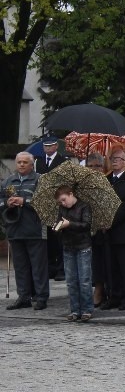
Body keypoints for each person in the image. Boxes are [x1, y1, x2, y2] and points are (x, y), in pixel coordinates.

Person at [1, 152, 49, 310]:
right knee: (20, 266)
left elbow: (45, 201)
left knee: (38, 266)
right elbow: (0, 200)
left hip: (35, 229)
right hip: (15, 229)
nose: (21, 165)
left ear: (31, 164)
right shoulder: (9, 181)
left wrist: (24, 201)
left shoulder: (40, 179)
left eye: (24, 162)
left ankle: (41, 297)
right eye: (19, 162)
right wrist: (7, 203)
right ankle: (23, 296)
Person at [101, 147, 125, 311]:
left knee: (124, 266)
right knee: (110, 266)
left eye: (117, 158)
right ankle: (113, 296)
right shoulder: (106, 180)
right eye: (112, 158)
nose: (114, 161)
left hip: (123, 229)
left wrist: (111, 220)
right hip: (107, 231)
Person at [55, 185, 93, 321]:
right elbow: (59, 221)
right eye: (60, 202)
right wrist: (58, 226)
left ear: (71, 194)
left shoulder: (84, 206)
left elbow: (86, 225)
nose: (63, 203)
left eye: (64, 200)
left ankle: (87, 309)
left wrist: (69, 224)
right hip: (68, 246)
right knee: (71, 281)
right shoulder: (62, 208)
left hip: (83, 246)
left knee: (84, 280)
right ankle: (75, 310)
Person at [35, 135, 68, 281]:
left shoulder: (63, 161)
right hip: (45, 204)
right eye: (45, 146)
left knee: (59, 235)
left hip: (58, 204)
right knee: (46, 236)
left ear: (56, 146)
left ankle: (61, 268)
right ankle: (50, 267)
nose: (47, 148)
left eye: (50, 146)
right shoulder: (38, 161)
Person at [85, 153, 109, 306]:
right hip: (84, 229)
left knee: (100, 261)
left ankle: (100, 290)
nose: (94, 169)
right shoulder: (81, 184)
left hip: (102, 229)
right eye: (90, 166)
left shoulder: (107, 183)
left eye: (98, 166)